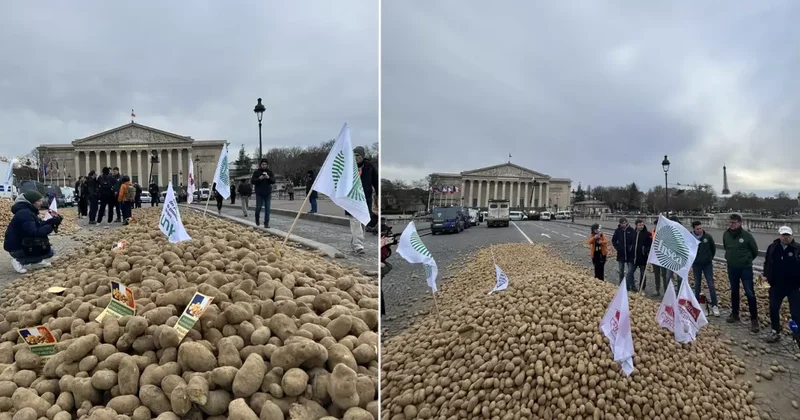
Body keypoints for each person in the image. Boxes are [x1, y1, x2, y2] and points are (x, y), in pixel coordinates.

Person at [3, 191, 62, 274]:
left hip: (21, 243)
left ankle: (35, 263)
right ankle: (19, 260)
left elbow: (38, 225)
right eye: (38, 201)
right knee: (49, 252)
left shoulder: (28, 211)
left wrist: (51, 221)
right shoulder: (25, 214)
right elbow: (35, 232)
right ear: (31, 202)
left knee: (49, 250)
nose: (41, 203)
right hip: (16, 248)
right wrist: (51, 226)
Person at [723, 213, 760, 331]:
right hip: (732, 268)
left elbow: (755, 251)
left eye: (733, 222)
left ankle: (754, 319)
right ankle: (734, 314)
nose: (731, 225)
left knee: (749, 293)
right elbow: (726, 247)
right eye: (730, 222)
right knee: (734, 291)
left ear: (739, 223)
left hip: (745, 269)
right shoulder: (726, 234)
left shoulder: (747, 236)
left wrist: (746, 260)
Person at [763, 226, 800, 343]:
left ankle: (797, 334)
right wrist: (765, 275)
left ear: (791, 236)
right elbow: (767, 263)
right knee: (773, 308)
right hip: (776, 285)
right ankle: (775, 331)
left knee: (796, 312)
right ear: (779, 235)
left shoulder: (797, 249)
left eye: (788, 235)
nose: (786, 238)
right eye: (784, 235)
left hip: (793, 286)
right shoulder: (773, 247)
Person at [691, 220, 719, 317]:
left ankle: (715, 305)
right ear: (694, 229)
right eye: (697, 229)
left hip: (707, 264)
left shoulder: (708, 237)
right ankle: (697, 304)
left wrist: (709, 258)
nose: (700, 230)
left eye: (701, 228)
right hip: (696, 265)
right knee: (697, 284)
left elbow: (713, 249)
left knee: (711, 284)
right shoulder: (690, 238)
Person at [354, 146, 379, 233]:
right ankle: (357, 241)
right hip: (353, 197)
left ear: (363, 156)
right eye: (354, 155)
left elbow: (375, 181)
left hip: (365, 196)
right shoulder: (350, 167)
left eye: (358, 155)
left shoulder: (369, 167)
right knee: (354, 220)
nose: (355, 157)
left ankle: (359, 239)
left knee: (363, 218)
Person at [612, 217, 636, 291]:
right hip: (621, 254)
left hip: (629, 254)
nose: (623, 224)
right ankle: (621, 284)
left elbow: (634, 241)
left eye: (625, 223)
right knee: (621, 271)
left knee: (630, 271)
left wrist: (631, 248)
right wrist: (618, 248)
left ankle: (632, 285)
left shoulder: (631, 230)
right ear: (620, 224)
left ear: (627, 222)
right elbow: (614, 240)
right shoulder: (617, 231)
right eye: (622, 223)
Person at [250, 159, 275, 228]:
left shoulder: (270, 172)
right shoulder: (257, 172)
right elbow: (252, 181)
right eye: (263, 164)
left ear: (267, 165)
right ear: (260, 165)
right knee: (258, 207)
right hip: (259, 193)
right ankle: (257, 218)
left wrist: (268, 177)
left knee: (267, 208)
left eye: (265, 164)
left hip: (267, 193)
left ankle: (266, 223)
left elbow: (273, 181)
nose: (264, 166)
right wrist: (259, 178)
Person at [631, 219, 652, 293]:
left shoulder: (647, 234)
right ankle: (631, 287)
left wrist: (646, 251)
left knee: (643, 274)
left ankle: (642, 289)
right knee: (630, 273)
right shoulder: (633, 233)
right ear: (636, 225)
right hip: (634, 258)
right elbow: (631, 243)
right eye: (640, 225)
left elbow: (650, 245)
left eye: (642, 225)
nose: (641, 226)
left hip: (643, 258)